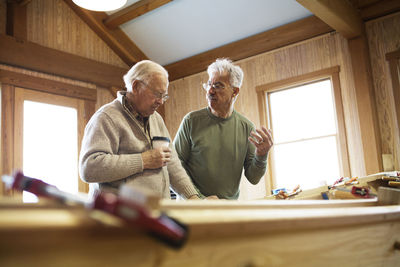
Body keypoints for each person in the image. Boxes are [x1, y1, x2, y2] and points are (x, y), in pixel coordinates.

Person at [79, 60, 200, 200]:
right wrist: (143, 160)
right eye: (157, 94)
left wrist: (193, 198)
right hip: (119, 216)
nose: (161, 101)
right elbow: (89, 167)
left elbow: (171, 162)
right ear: (135, 86)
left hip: (155, 212)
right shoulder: (106, 118)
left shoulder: (157, 119)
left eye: (164, 96)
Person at [174, 58, 273, 199]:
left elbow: (253, 178)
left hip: (226, 211)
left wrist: (261, 156)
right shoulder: (191, 121)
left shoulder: (246, 128)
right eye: (209, 84)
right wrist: (199, 200)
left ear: (235, 91)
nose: (210, 90)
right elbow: (175, 167)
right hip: (192, 208)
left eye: (218, 86)